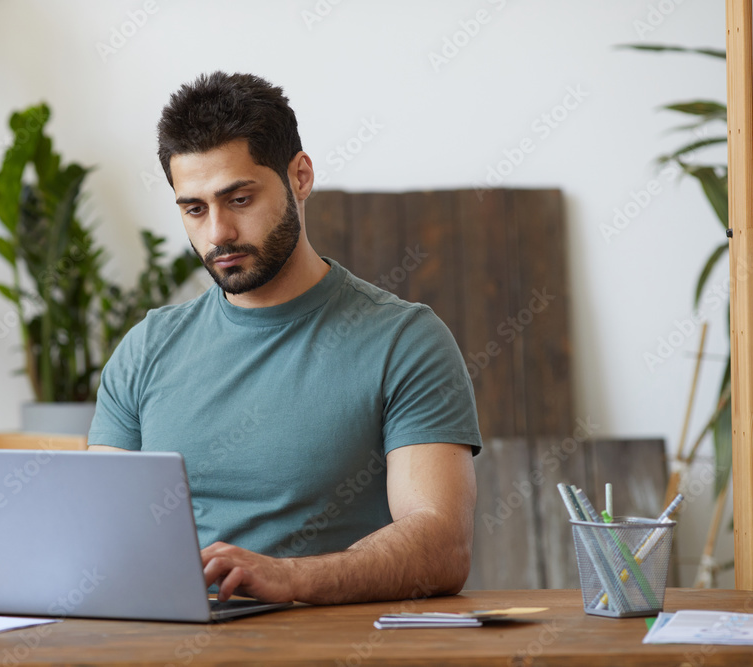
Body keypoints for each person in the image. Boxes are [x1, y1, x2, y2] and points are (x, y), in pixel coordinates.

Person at [87, 71, 482, 605]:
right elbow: (102, 536)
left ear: (300, 176)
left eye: (240, 199)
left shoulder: (405, 341)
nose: (218, 233)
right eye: (195, 209)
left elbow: (442, 544)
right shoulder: (145, 349)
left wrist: (290, 579)